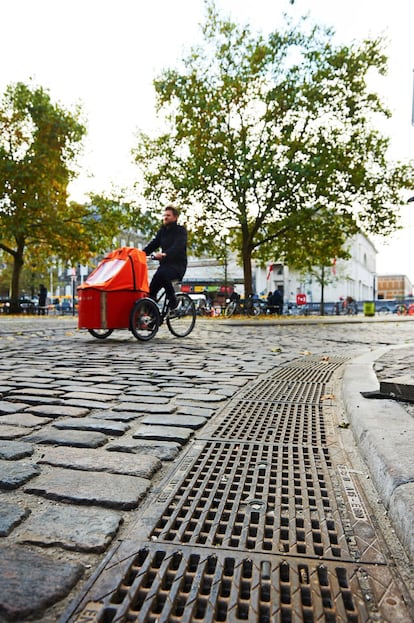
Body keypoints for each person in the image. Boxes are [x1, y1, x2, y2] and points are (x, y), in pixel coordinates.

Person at [143, 206, 187, 310]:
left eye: (168, 215)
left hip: (178, 266)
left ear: (175, 217)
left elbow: (177, 246)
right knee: (151, 291)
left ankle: (173, 300)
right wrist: (139, 254)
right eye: (164, 215)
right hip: (164, 266)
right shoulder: (162, 232)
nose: (165, 217)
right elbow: (153, 245)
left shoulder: (180, 231)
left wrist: (165, 254)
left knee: (163, 274)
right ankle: (152, 318)